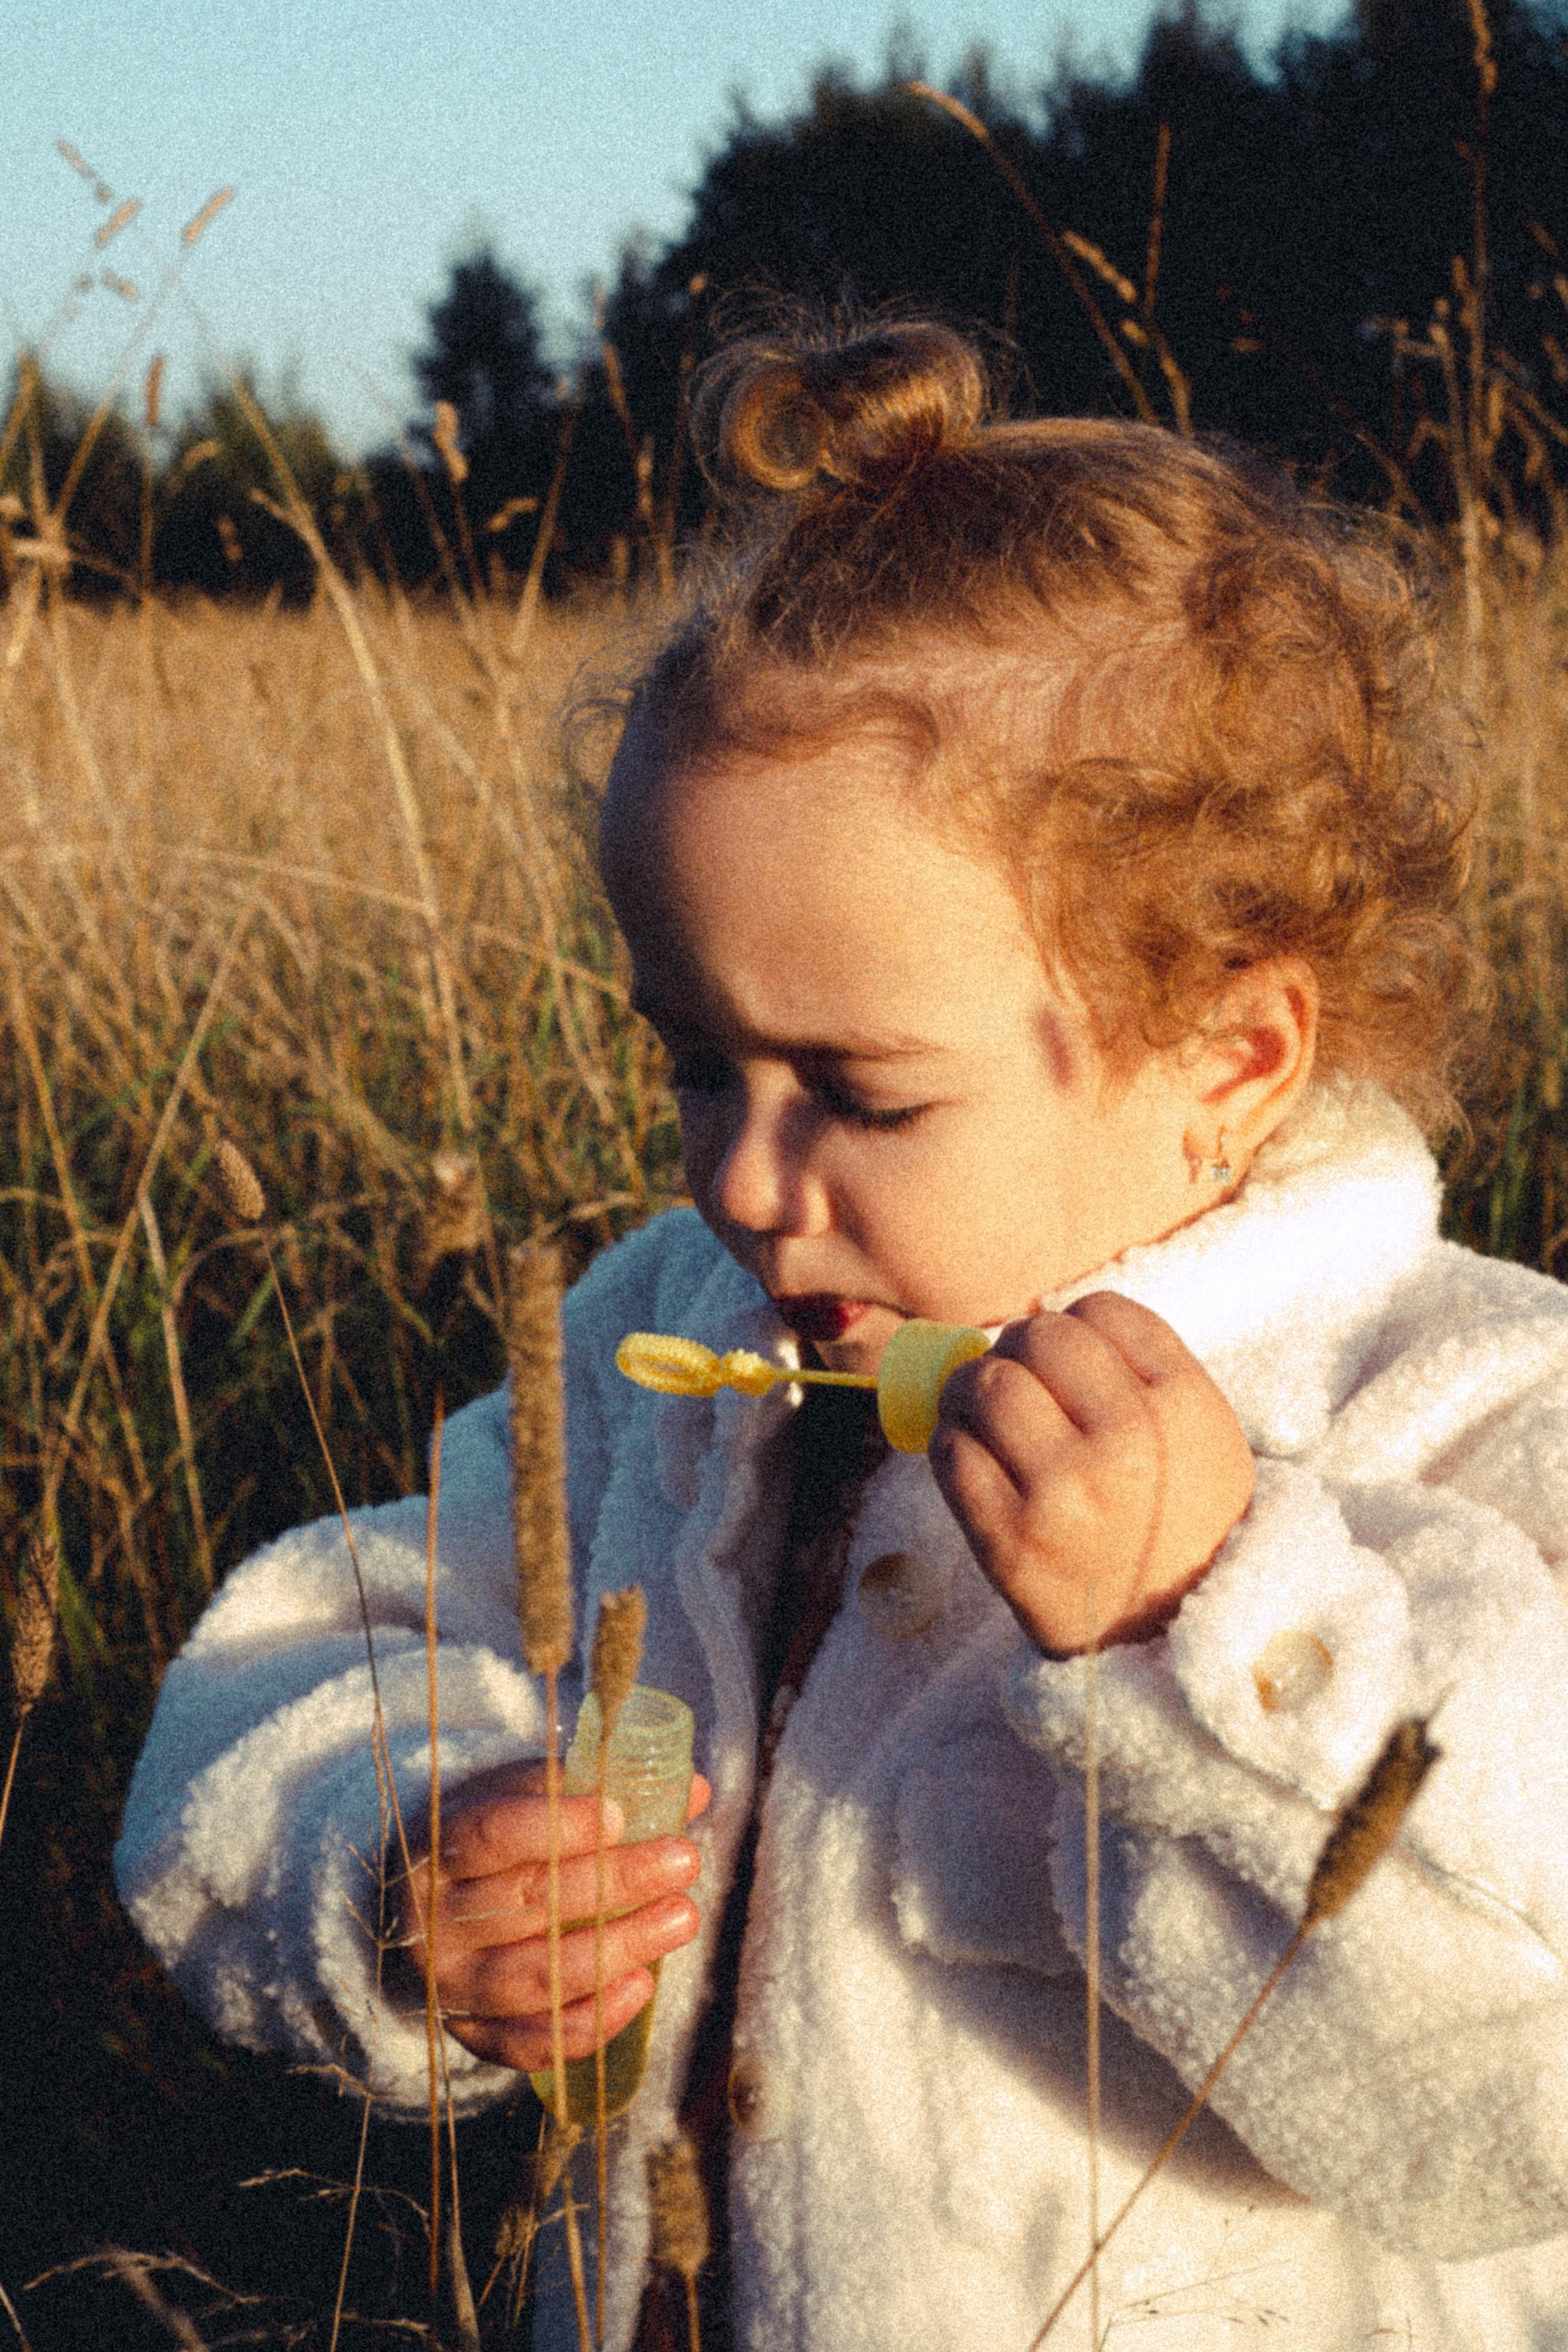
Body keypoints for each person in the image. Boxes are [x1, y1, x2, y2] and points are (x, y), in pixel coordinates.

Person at [116, 320, 1568, 2351]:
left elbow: (1520, 2110)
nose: (741, 1178)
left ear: (1228, 1058)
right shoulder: (662, 1344)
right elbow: (300, 1659)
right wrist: (400, 1860)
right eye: (699, 1064)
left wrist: (1210, 1626)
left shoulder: (1466, 1415)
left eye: (862, 1096)